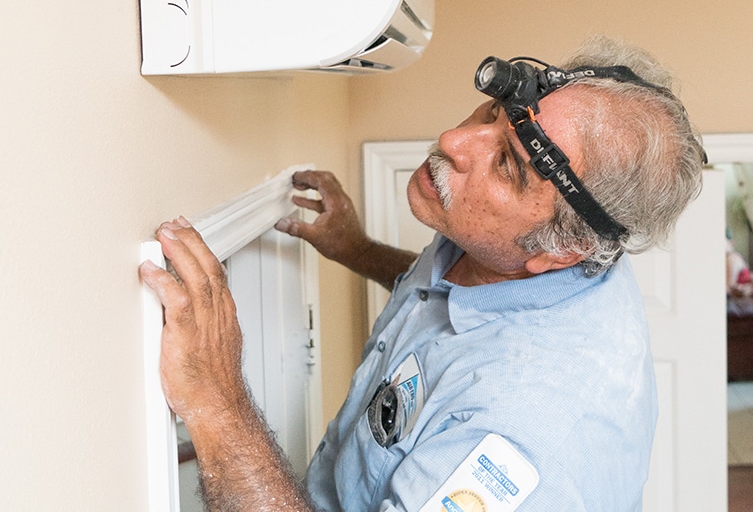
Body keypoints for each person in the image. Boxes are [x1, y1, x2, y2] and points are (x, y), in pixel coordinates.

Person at [140, 35, 705, 512]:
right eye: (491, 112)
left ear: (563, 251)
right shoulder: (505, 245)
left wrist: (216, 400)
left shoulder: (521, 433)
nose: (455, 142)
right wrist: (357, 251)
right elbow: (451, 301)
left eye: (508, 163)